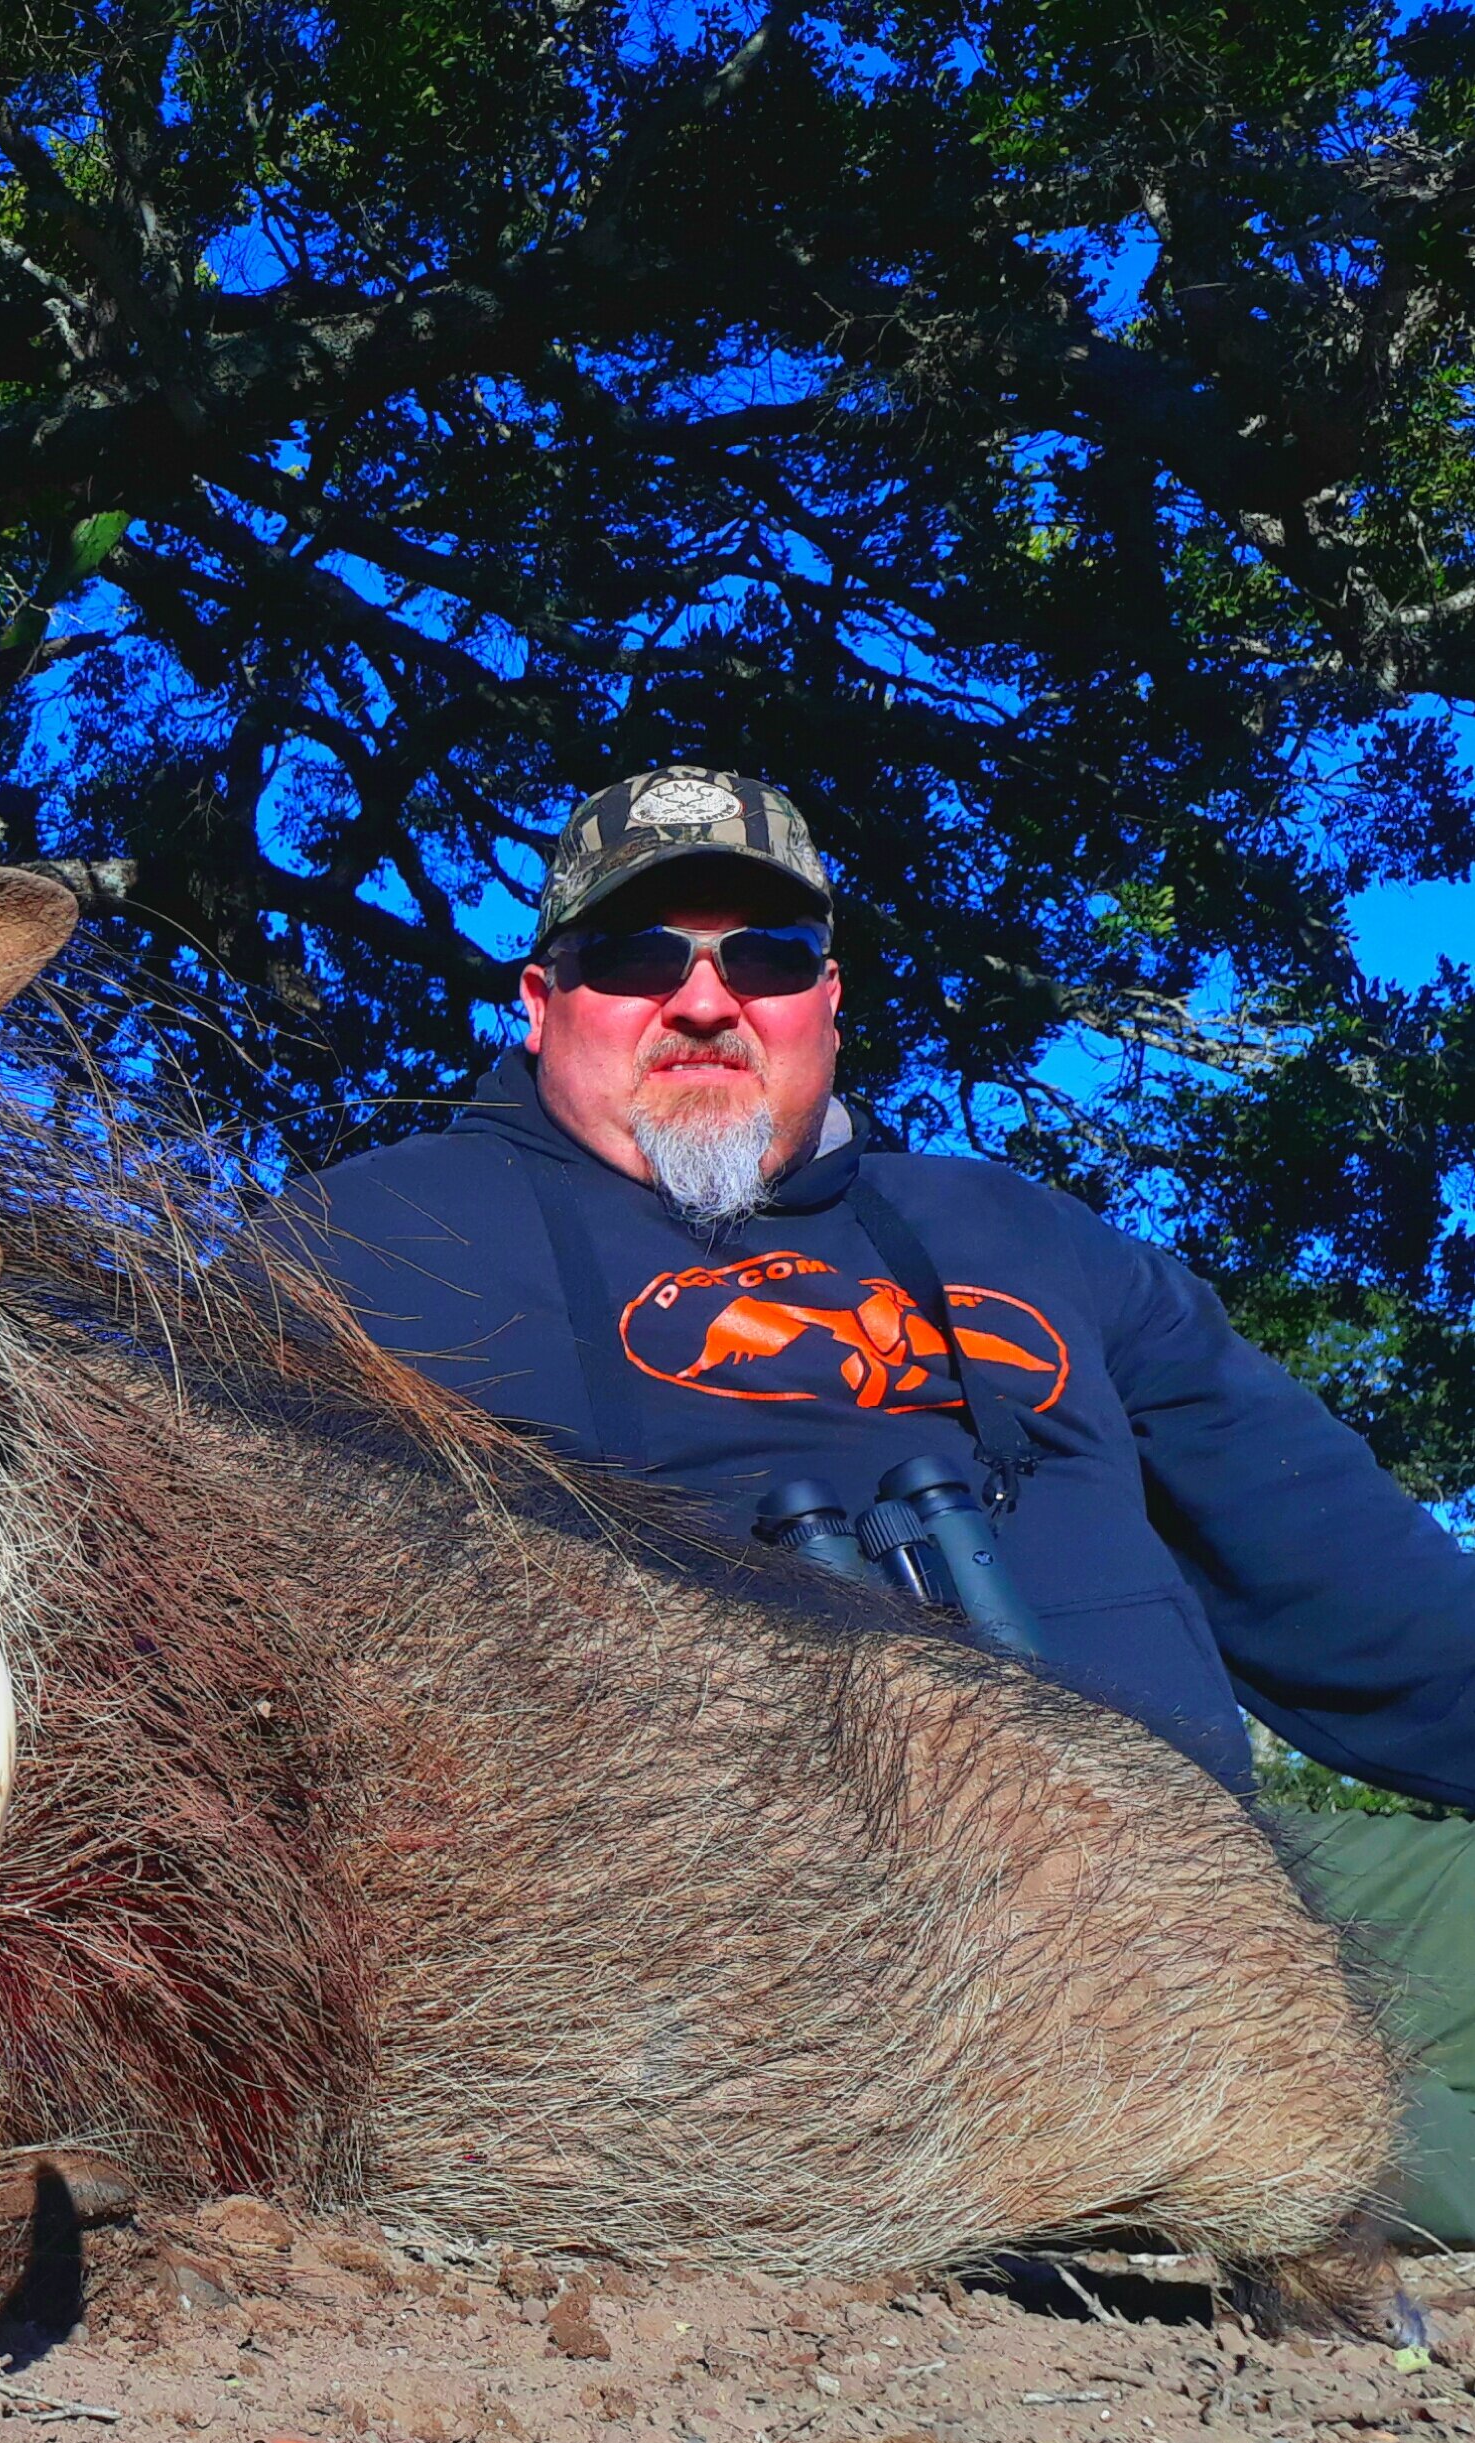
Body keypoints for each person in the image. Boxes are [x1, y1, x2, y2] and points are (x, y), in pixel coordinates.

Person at [256, 766, 1475, 2227]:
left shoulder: (1025, 1234)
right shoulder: (359, 1244)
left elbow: (1375, 1610)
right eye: (640, 955)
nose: (703, 1001)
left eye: (761, 958)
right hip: (758, 1973)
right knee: (1313, 2152)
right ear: (540, 998)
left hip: (1205, 1882)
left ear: (825, 1002)